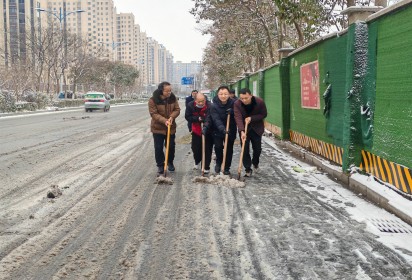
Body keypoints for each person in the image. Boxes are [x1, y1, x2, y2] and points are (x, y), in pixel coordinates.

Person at [148, 81, 181, 175]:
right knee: (158, 147)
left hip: (171, 127)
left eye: (170, 91)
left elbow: (177, 109)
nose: (169, 93)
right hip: (158, 128)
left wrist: (171, 117)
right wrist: (164, 120)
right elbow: (153, 114)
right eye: (167, 91)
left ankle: (169, 161)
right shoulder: (153, 100)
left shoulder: (173, 98)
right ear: (161, 90)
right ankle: (160, 165)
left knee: (170, 146)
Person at [234, 88, 267, 177]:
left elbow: (264, 114)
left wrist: (252, 118)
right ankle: (248, 169)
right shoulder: (237, 104)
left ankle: (255, 163)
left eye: (246, 98)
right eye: (242, 98)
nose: (244, 100)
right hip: (245, 130)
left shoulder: (259, 102)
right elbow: (238, 118)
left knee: (257, 149)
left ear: (251, 96)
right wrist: (241, 131)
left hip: (257, 129)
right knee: (244, 149)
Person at [207, 86, 237, 175]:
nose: (223, 96)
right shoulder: (213, 105)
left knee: (229, 148)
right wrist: (223, 129)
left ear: (229, 94)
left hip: (231, 129)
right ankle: (218, 163)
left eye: (225, 94)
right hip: (217, 129)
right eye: (221, 94)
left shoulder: (234, 103)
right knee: (218, 147)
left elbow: (238, 114)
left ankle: (227, 167)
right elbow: (216, 119)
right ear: (218, 94)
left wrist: (233, 112)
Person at [185, 92, 213, 174]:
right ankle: (197, 160)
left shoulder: (209, 105)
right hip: (196, 130)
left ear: (205, 99)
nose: (201, 103)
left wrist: (205, 124)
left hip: (208, 130)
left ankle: (206, 167)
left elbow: (210, 117)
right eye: (199, 101)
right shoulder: (190, 105)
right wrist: (198, 118)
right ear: (195, 100)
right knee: (196, 148)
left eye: (202, 101)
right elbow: (188, 116)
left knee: (207, 149)